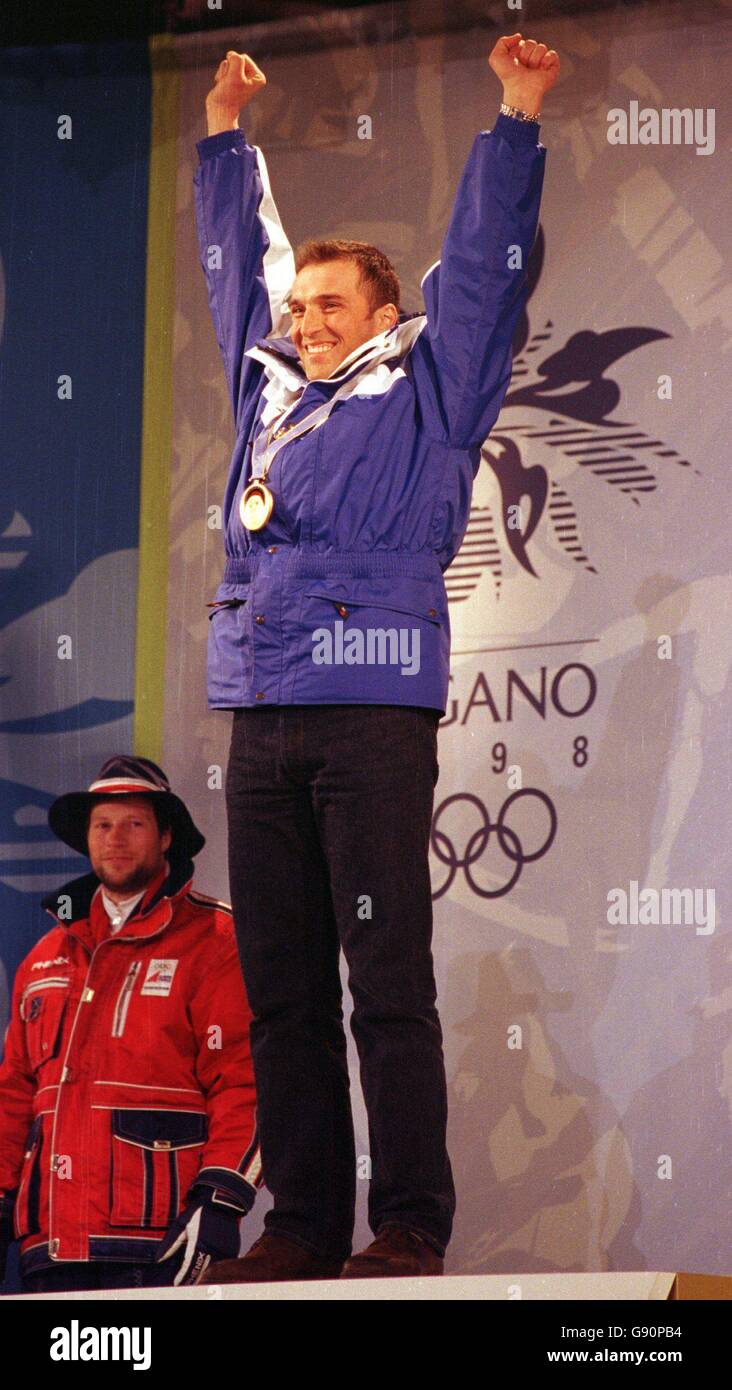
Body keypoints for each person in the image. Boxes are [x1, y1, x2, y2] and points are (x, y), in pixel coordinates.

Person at [194, 33, 558, 1281]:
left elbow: (488, 279)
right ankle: (299, 1225)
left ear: (385, 315)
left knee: (383, 982)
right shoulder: (269, 388)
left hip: (368, 713)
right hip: (261, 712)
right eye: (301, 307)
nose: (302, 321)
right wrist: (224, 136)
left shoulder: (433, 386)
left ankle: (407, 1220)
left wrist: (514, 118)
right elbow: (240, 275)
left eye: (328, 304)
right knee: (280, 992)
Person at [0, 756, 261, 1293]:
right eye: (102, 825)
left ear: (167, 837)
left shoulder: (215, 939)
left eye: (133, 824)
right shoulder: (45, 956)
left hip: (159, 1243)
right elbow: (13, 1095)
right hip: (46, 1246)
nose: (114, 838)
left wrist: (220, 1198)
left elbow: (245, 1082)